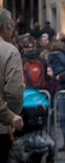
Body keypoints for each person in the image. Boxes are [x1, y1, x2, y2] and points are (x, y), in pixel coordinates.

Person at [0, 9, 24, 159]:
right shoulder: (9, 51)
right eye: (11, 26)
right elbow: (14, 92)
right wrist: (12, 117)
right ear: (5, 27)